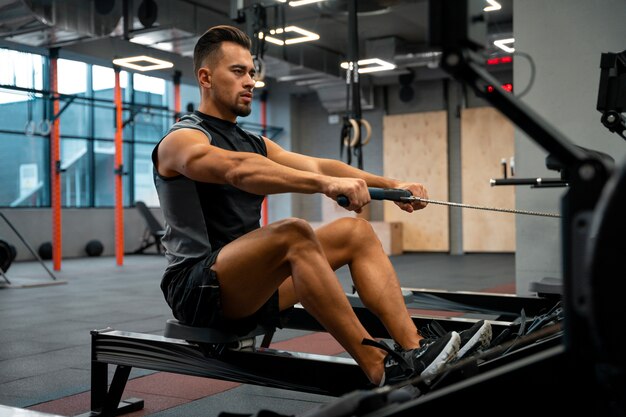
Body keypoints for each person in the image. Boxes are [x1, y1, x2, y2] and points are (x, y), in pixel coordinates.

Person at [152, 24, 491, 388]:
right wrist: (324, 186)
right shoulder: (182, 139)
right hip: (197, 290)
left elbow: (321, 166)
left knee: (355, 232)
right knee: (293, 232)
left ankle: (416, 349)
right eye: (238, 72)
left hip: (252, 286)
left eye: (252, 72)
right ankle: (378, 365)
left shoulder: (253, 141)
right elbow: (237, 170)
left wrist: (393, 185)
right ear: (205, 77)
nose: (250, 81)